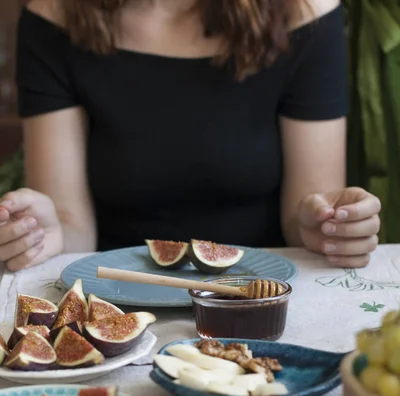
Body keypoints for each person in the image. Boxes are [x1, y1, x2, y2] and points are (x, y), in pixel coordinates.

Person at [0, 0, 381, 272]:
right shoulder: (53, 18)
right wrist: (44, 235)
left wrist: (328, 226)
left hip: (262, 293)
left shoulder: (305, 12)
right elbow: (72, 227)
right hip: (115, 291)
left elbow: (305, 215)